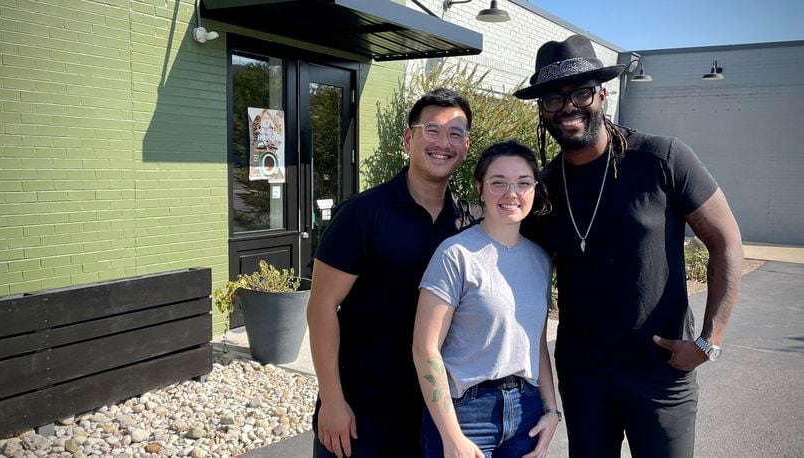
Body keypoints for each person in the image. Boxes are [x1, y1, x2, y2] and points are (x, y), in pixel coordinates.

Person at [514, 34, 743, 457]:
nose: (567, 108)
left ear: (601, 93)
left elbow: (726, 241)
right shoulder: (541, 191)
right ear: (542, 110)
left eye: (580, 92)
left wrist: (709, 342)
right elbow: (513, 264)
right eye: (552, 99)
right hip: (584, 376)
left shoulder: (662, 158)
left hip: (660, 373)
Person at [307, 88, 476, 458]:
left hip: (436, 409)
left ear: (465, 146)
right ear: (408, 139)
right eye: (431, 130)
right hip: (361, 407)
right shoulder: (362, 214)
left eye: (456, 133)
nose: (443, 143)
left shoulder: (472, 223)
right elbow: (321, 307)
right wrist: (333, 400)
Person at [413, 140, 560, 458]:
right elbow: (425, 349)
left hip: (527, 411)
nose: (512, 193)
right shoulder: (456, 255)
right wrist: (451, 437)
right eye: (498, 183)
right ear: (480, 188)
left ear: (534, 190)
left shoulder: (539, 260)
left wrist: (552, 409)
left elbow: (535, 342)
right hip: (466, 414)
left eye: (523, 183)